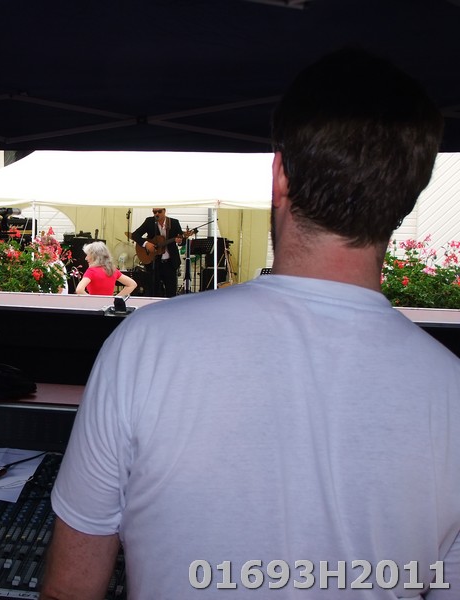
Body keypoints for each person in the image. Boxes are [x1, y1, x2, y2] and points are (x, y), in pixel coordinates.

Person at [41, 49, 460, 600]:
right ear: (407, 195)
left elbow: (71, 588)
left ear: (279, 175)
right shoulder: (452, 391)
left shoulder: (144, 348)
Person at [130, 207, 183, 297]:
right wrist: (146, 244)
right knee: (154, 291)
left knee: (171, 292)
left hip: (170, 263)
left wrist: (180, 241)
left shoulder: (174, 223)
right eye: (155, 212)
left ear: (164, 211)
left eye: (159, 211)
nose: (157, 214)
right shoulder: (149, 222)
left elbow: (182, 239)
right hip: (154, 262)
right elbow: (135, 235)